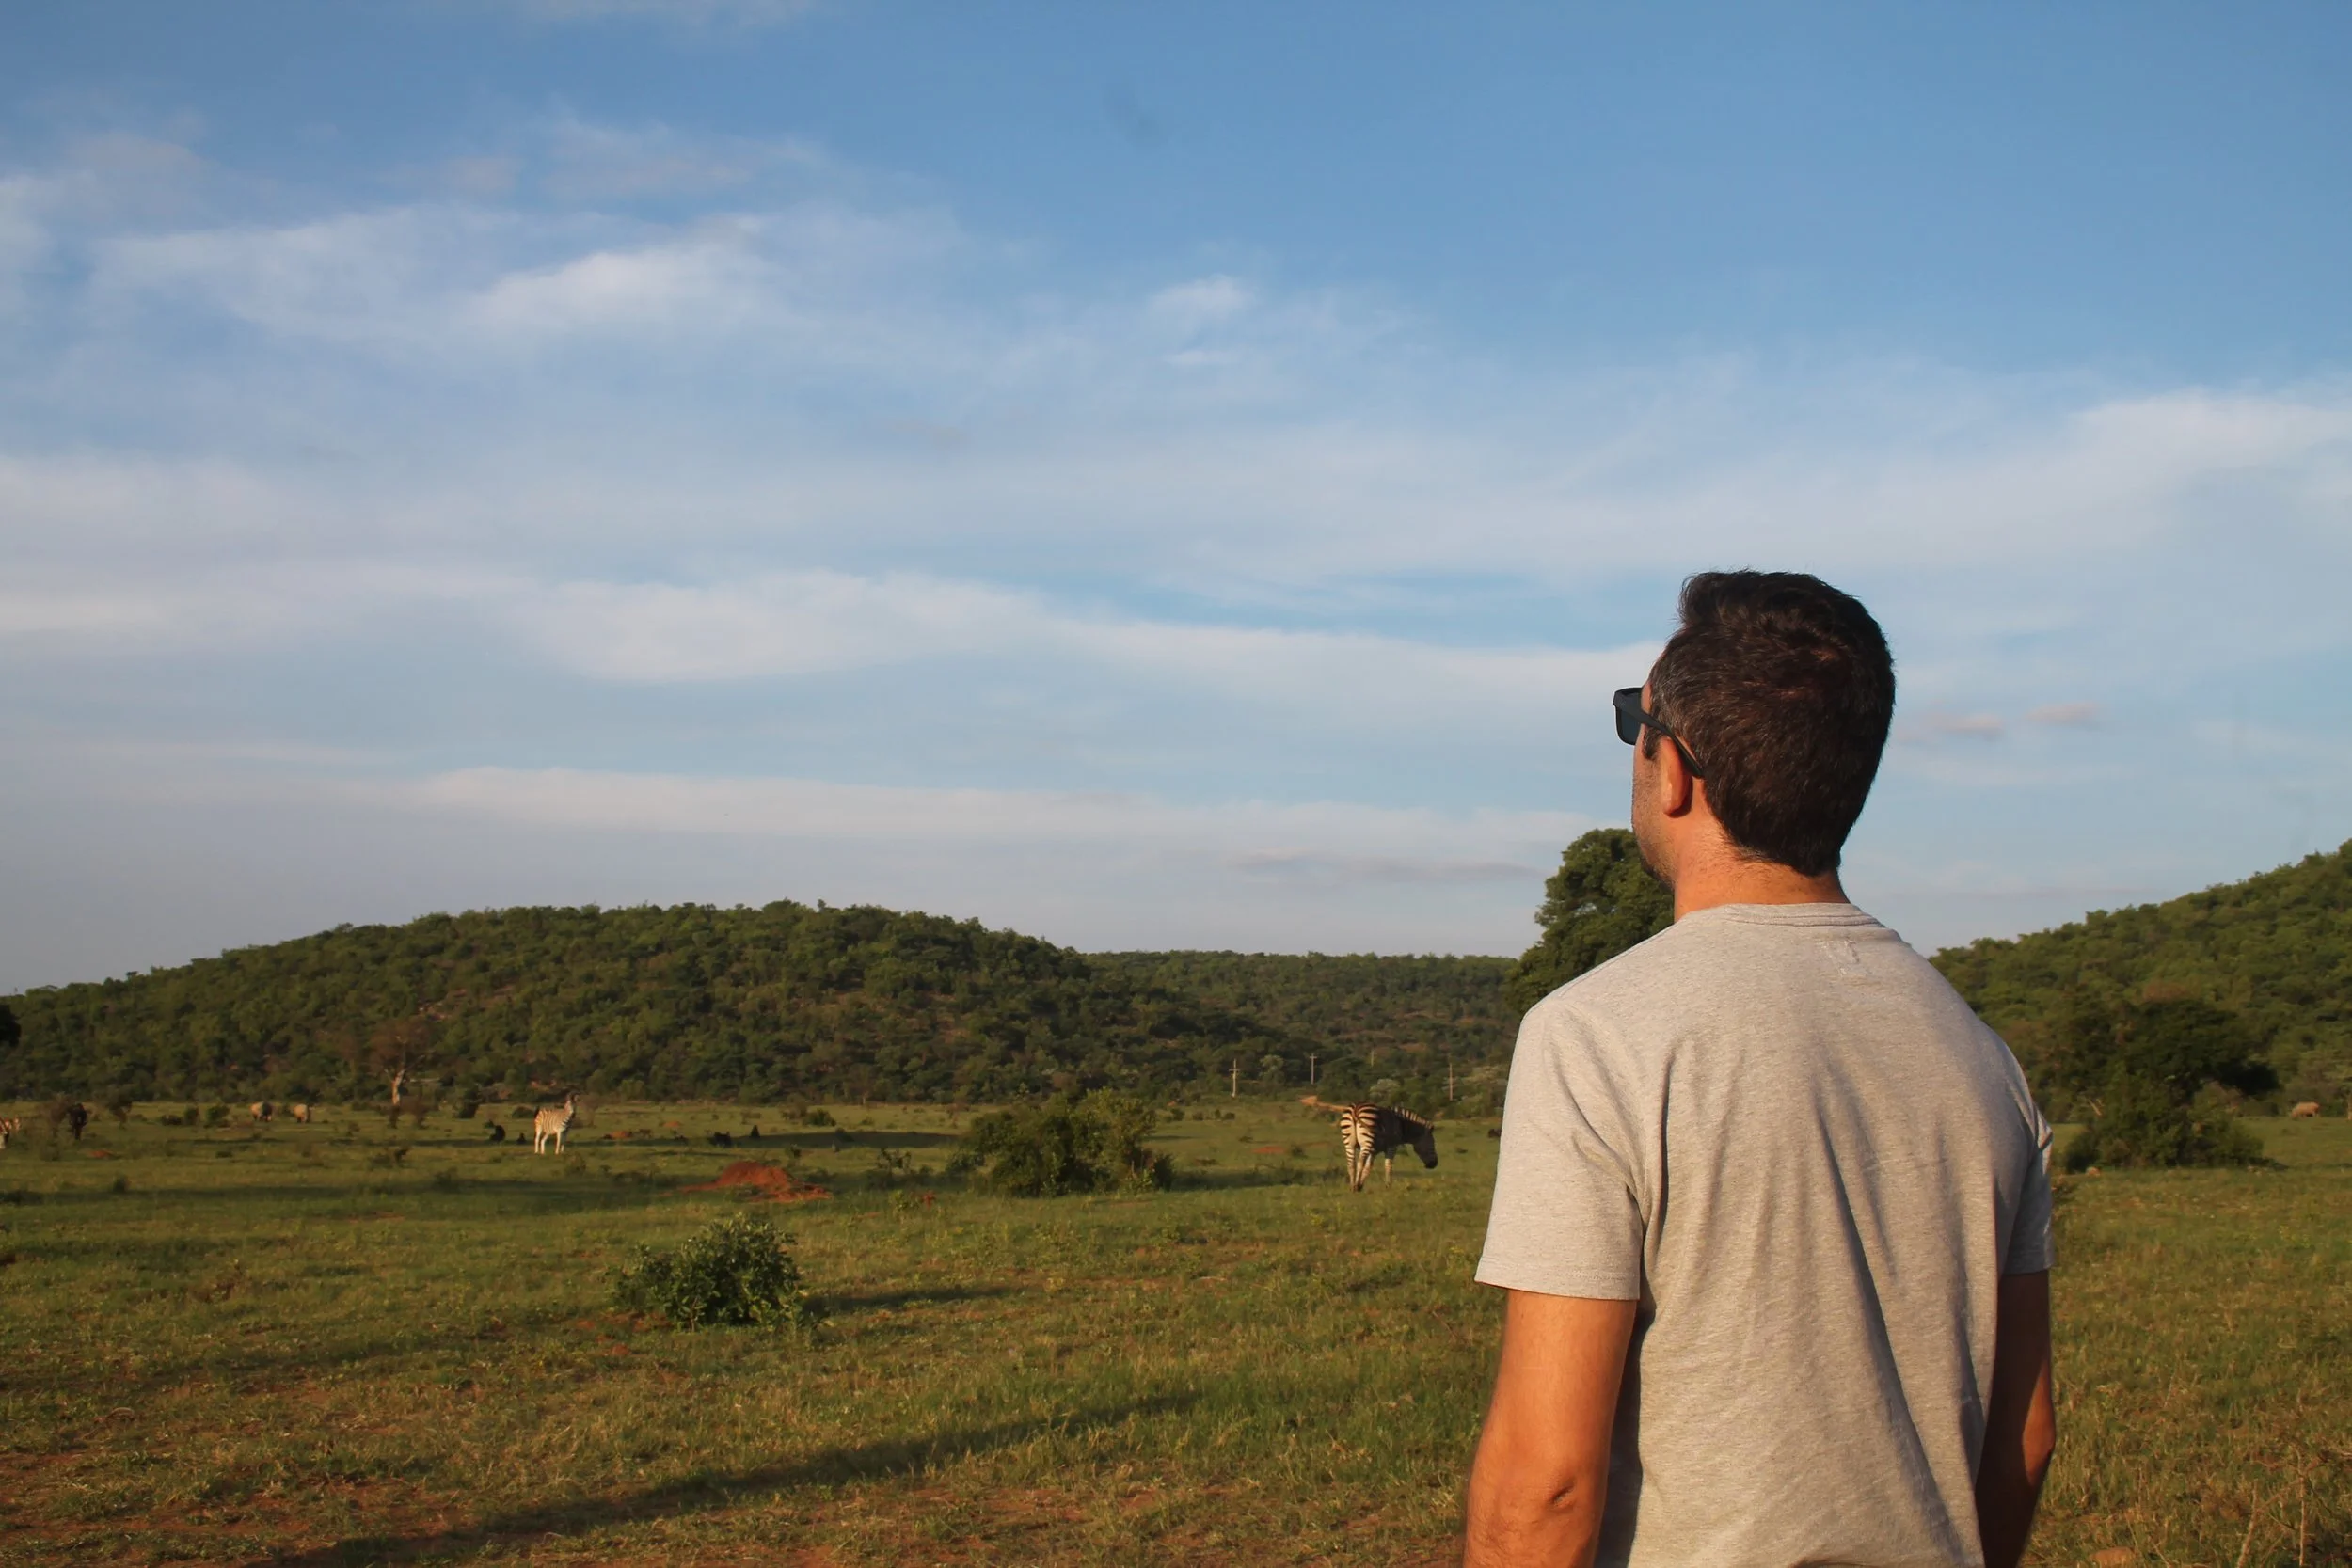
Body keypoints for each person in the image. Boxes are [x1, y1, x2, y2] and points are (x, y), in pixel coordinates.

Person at [1464, 571, 2056, 1568]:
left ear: (1676, 771)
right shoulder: (1981, 1056)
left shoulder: (1596, 1034)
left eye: (1633, 721)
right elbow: (2024, 1438)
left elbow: (1548, 1478)